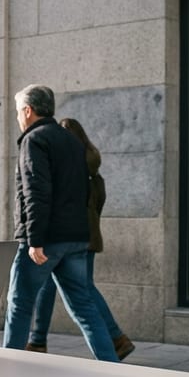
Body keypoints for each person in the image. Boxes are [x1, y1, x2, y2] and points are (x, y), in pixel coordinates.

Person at [2, 85, 120, 362]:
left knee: (19, 304)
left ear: (28, 111)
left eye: (19, 112)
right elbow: (82, 191)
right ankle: (112, 365)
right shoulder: (71, 141)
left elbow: (36, 192)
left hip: (47, 239)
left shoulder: (34, 140)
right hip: (77, 238)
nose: (18, 118)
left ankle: (6, 367)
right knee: (84, 307)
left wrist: (35, 239)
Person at [25, 119, 134, 359]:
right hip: (86, 238)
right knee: (71, 290)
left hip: (69, 238)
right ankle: (39, 340)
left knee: (79, 293)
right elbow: (98, 204)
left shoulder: (72, 171)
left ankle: (116, 338)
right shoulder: (93, 173)